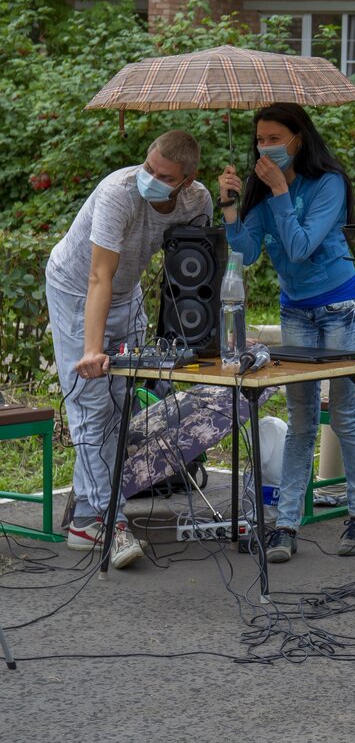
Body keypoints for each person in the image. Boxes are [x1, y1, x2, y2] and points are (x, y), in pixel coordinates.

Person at [47, 130, 212, 568]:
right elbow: (99, 276)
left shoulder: (198, 201)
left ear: (187, 180)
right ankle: (111, 523)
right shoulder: (118, 193)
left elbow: (197, 269)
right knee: (89, 404)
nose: (150, 178)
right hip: (76, 290)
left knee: (121, 407)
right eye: (148, 167)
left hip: (127, 294)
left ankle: (85, 517)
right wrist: (91, 349)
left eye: (164, 175)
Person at [218, 103, 355, 564]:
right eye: (259, 140)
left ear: (298, 139)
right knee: (300, 419)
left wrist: (282, 191)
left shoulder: (328, 183)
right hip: (296, 312)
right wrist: (230, 208)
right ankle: (285, 525)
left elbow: (302, 248)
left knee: (343, 415)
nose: (265, 147)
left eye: (274, 138)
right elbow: (246, 254)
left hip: (341, 305)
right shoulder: (263, 192)